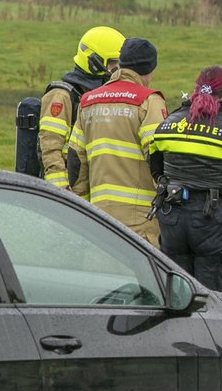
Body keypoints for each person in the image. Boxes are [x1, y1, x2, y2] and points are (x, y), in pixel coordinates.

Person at [148, 66, 222, 292]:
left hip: (171, 217)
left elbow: (155, 167)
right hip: (213, 220)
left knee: (175, 295)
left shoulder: (169, 124)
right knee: (211, 300)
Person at [70, 36, 167, 245]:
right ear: (150, 69)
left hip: (98, 219)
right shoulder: (149, 102)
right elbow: (158, 159)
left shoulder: (88, 101)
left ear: (121, 63)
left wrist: (80, 208)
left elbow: (76, 165)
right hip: (140, 225)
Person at [38, 26, 125, 190]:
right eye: (112, 63)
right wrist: (60, 191)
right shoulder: (61, 96)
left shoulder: (101, 95)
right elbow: (50, 149)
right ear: (93, 61)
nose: (117, 70)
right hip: (69, 190)